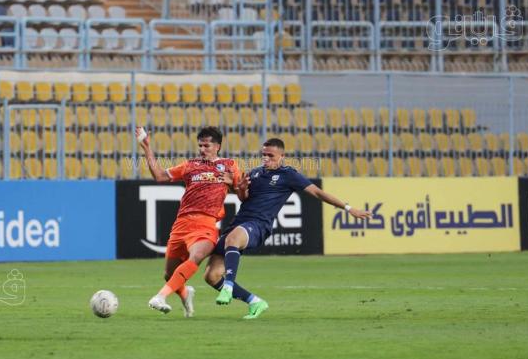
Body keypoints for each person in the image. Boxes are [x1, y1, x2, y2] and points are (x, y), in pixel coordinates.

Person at [204, 138, 372, 319]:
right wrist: (238, 187)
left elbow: (317, 192)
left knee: (233, 239)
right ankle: (255, 302)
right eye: (264, 155)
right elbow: (244, 198)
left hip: (259, 225)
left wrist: (348, 208)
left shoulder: (288, 175)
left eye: (271, 155)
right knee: (211, 276)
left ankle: (228, 286)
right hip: (239, 222)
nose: (266, 158)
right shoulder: (254, 173)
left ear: (282, 156)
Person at [137, 126, 241, 316]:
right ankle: (186, 295)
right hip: (182, 223)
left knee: (197, 256)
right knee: (170, 275)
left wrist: (233, 184)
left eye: (207, 145)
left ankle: (160, 297)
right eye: (200, 145)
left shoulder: (229, 165)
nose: (202, 149)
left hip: (206, 224)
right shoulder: (189, 165)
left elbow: (243, 194)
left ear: (217, 146)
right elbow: (159, 176)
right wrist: (146, 148)